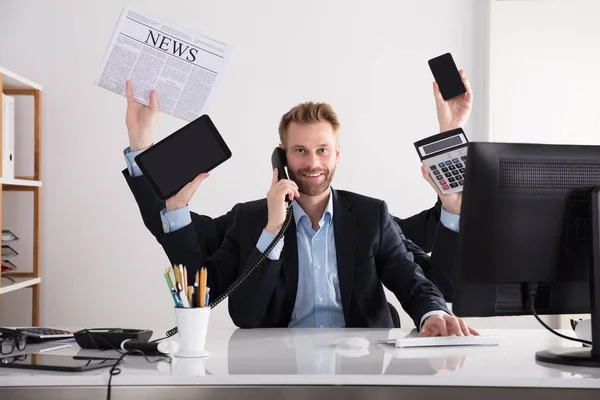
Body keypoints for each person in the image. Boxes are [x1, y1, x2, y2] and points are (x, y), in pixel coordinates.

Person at [123, 88, 476, 336]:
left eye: (323, 150)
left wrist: (432, 314)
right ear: (282, 156)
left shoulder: (371, 216)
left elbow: (415, 280)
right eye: (300, 151)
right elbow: (197, 273)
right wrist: (141, 145)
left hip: (362, 369)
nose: (313, 163)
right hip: (278, 372)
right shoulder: (250, 220)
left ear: (338, 153)